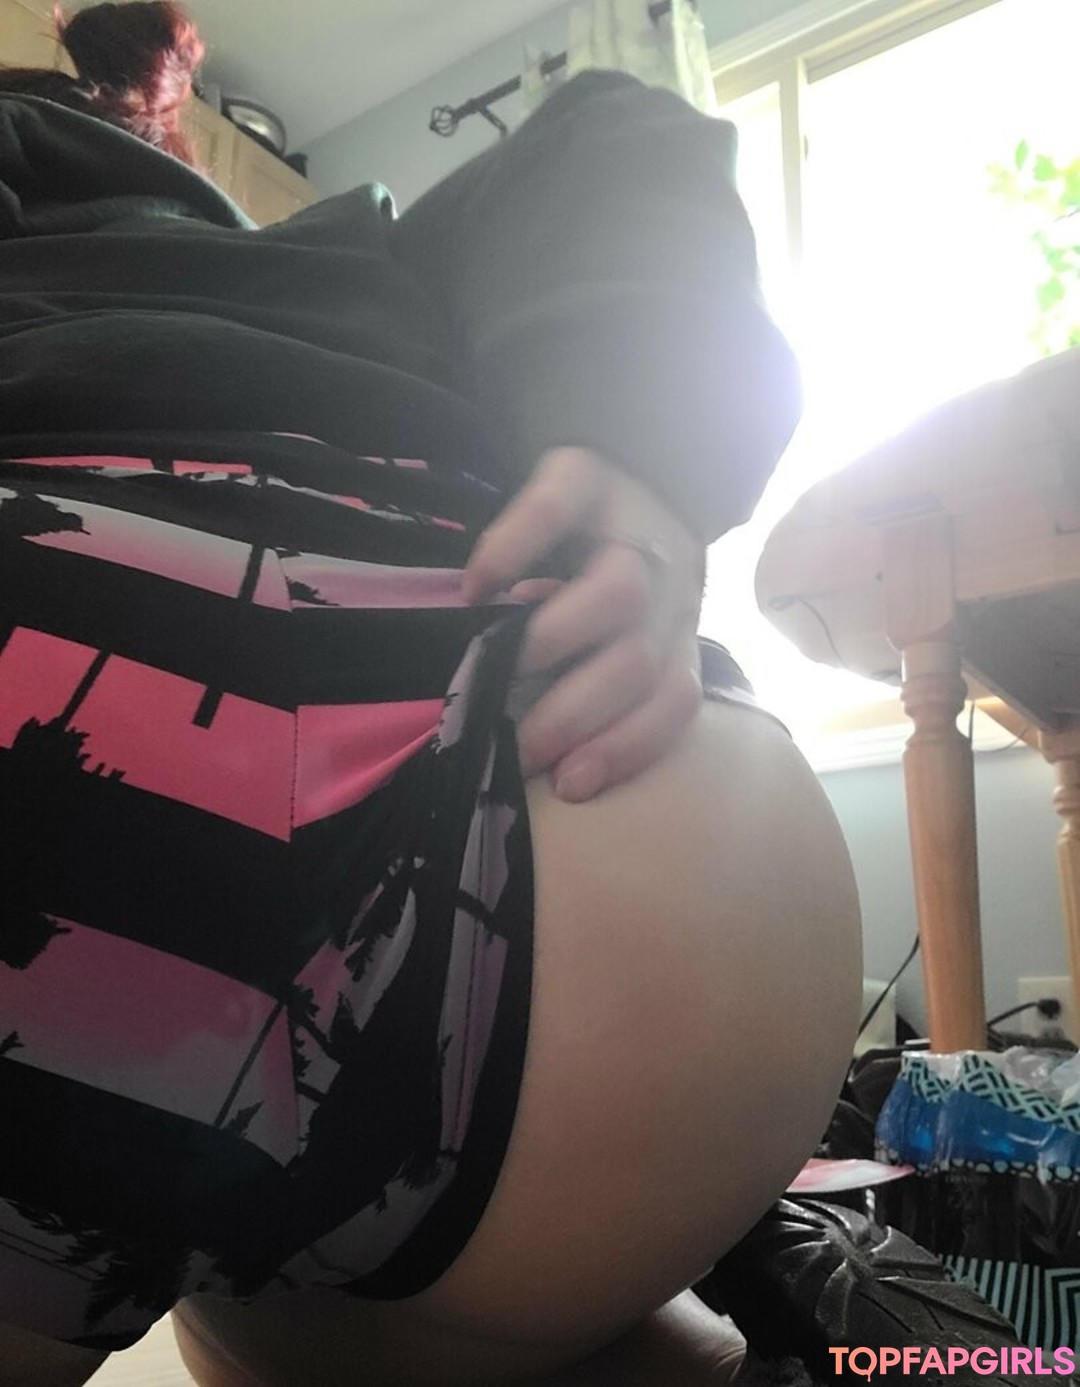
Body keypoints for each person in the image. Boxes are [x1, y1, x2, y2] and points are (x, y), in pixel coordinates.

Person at [0, 4, 862, 1384]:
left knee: (185, 1260)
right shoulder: (360, 245)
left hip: (56, 658)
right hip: (616, 869)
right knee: (302, 1293)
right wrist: (644, 459)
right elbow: (618, 133)